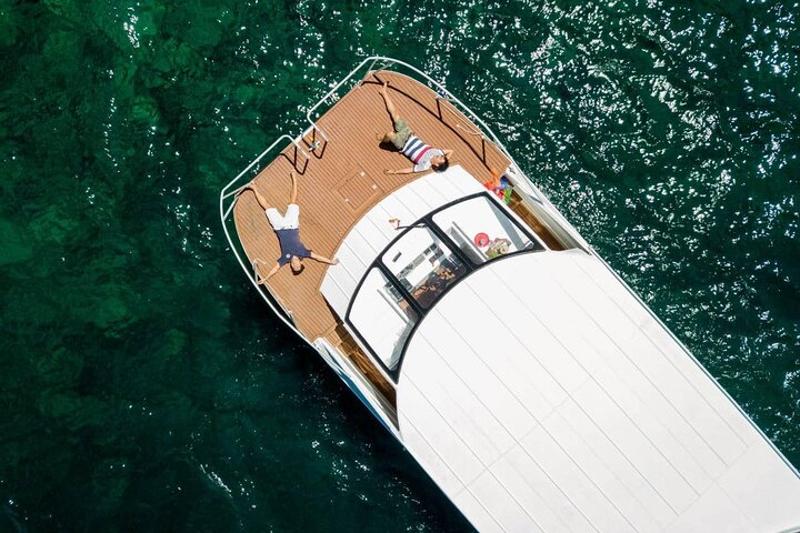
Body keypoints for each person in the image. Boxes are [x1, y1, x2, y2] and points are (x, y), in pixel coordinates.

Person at [237, 170, 338, 282]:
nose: (295, 265)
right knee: (293, 201)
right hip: (292, 224)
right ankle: (294, 177)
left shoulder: (285, 258)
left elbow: (275, 269)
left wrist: (265, 279)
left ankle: (253, 188)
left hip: (279, 227)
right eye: (298, 266)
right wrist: (331, 261)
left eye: (294, 267)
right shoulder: (303, 253)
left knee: (267, 207)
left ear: (291, 266)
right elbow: (318, 257)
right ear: (301, 262)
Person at [377, 80, 454, 175]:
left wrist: (395, 172)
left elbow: (410, 170)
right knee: (395, 115)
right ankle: (384, 92)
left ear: (437, 165)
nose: (440, 156)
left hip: (402, 144)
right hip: (409, 134)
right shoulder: (437, 152)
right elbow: (451, 151)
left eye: (440, 158)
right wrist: (446, 160)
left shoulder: (425, 166)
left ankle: (383, 139)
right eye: (442, 157)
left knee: (389, 134)